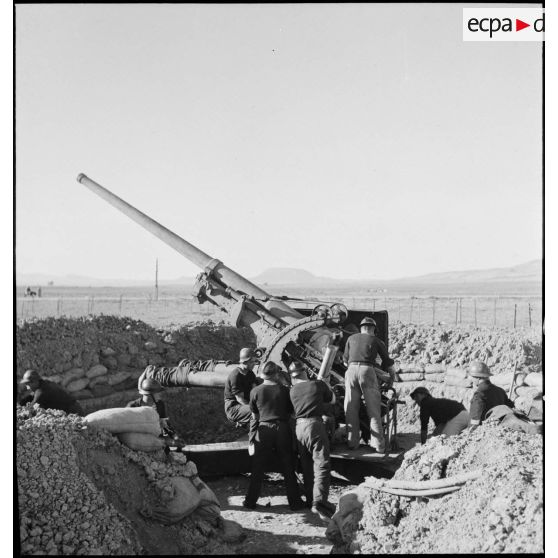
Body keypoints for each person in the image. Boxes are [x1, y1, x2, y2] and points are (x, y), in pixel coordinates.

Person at [244, 361, 305, 511]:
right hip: (282, 429)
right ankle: (295, 503)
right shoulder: (285, 390)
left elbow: (254, 416)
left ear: (263, 375)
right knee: (288, 466)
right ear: (277, 374)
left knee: (258, 467)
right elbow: (291, 412)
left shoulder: (255, 391)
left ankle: (250, 502)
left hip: (264, 429)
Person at [288, 361, 336, 521]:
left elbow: (291, 411)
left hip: (299, 428)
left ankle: (311, 500)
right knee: (322, 464)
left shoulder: (292, 391)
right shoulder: (318, 384)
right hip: (315, 426)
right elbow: (332, 400)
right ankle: (320, 503)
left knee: (307, 465)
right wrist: (326, 385)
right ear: (305, 372)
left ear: (293, 377)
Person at [342, 317, 396, 452]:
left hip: (350, 371)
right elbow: (388, 363)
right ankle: (379, 446)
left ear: (361, 328)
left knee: (350, 409)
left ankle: (352, 443)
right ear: (373, 329)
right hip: (367, 371)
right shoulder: (376, 341)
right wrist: (391, 379)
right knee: (373, 410)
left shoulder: (351, 338)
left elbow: (344, 361)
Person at [468, 361, 514, 431]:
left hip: (484, 431)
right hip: (500, 429)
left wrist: (469, 431)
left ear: (478, 378)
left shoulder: (479, 394)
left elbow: (475, 419)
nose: (471, 380)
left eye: (472, 377)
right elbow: (510, 407)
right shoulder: (500, 391)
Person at [18, 369, 84, 416]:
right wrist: (21, 402)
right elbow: (32, 395)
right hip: (75, 408)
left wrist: (20, 409)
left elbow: (31, 408)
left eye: (28, 384)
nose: (27, 387)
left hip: (73, 412)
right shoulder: (44, 383)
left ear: (35, 382)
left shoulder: (42, 392)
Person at [224, 347, 259, 427]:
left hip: (244, 405)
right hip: (233, 407)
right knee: (255, 412)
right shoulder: (235, 376)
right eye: (252, 361)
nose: (254, 364)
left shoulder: (250, 373)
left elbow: (255, 391)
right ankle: (253, 434)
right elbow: (240, 399)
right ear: (245, 362)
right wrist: (255, 408)